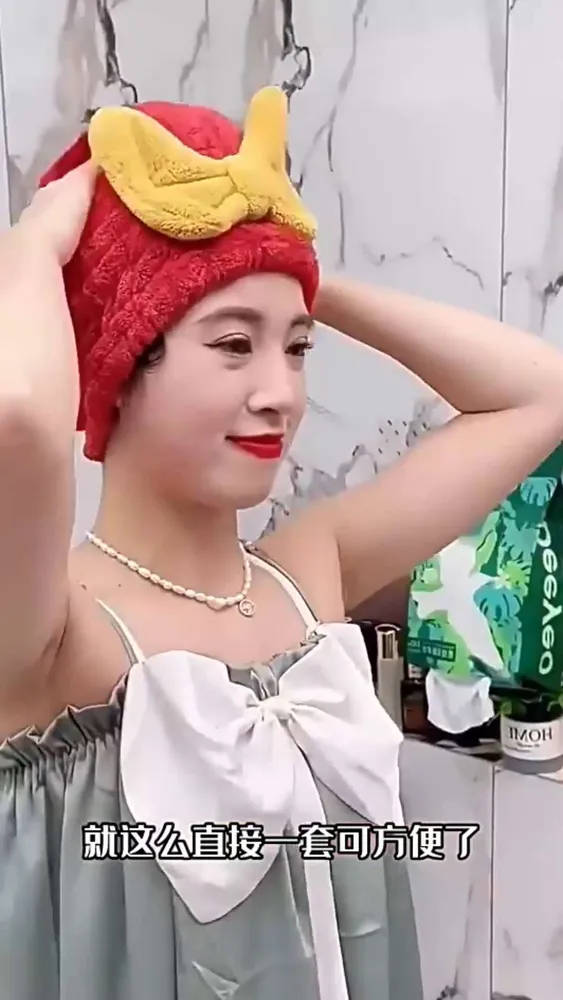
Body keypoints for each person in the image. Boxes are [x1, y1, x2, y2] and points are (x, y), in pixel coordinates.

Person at [0, 86, 562, 1000]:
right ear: (116, 369)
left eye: (295, 349)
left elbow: (540, 395)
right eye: (233, 345)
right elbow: (20, 417)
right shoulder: (54, 635)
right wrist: (35, 243)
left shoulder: (307, 577)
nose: (282, 394)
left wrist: (283, 270)